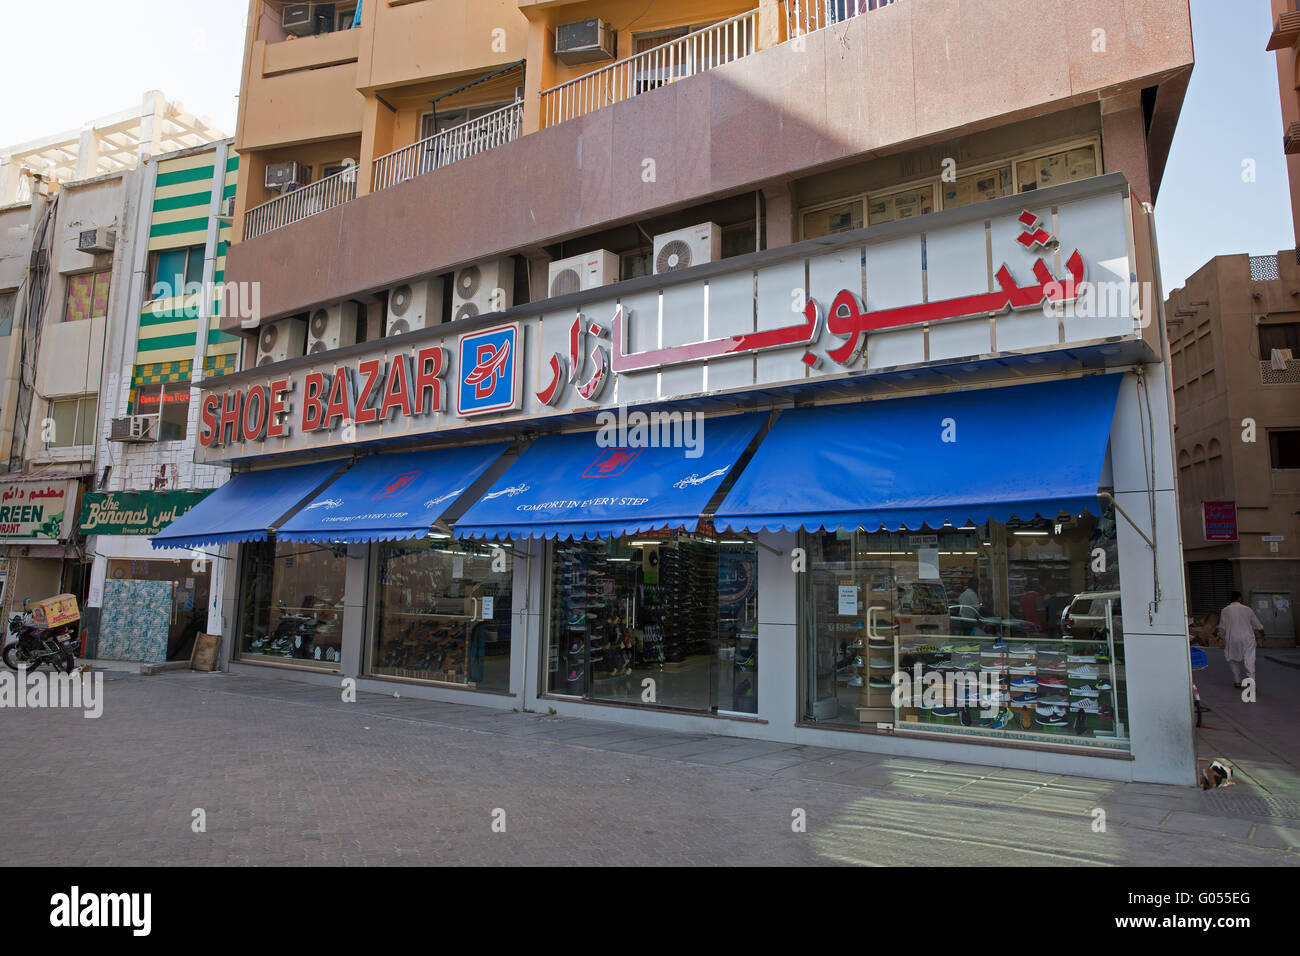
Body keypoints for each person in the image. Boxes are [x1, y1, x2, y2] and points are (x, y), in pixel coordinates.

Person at [1215, 591, 1264, 689]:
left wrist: (1221, 637)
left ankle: (1237, 681)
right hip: (1248, 638)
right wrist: (1263, 636)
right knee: (1249, 659)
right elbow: (1258, 625)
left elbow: (1222, 627)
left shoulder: (1225, 610)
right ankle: (1251, 681)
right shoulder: (1248, 610)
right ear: (1239, 598)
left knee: (1233, 659)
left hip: (1232, 638)